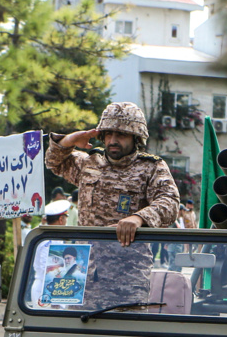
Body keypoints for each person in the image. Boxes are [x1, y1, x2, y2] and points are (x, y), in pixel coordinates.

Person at [45, 101, 180, 308]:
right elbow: (54, 161)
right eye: (108, 134)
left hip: (125, 275)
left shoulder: (150, 167)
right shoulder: (89, 163)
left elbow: (169, 202)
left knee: (124, 335)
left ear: (136, 138)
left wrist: (139, 218)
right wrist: (71, 139)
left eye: (121, 135)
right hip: (80, 271)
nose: (113, 140)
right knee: (75, 335)